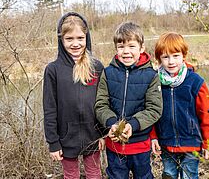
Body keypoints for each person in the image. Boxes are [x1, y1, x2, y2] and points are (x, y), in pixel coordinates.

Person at [95, 21, 163, 179]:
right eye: (121, 46)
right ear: (116, 49)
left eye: (131, 46)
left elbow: (154, 109)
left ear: (141, 48)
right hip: (115, 146)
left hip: (140, 145)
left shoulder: (151, 76)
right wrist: (112, 123)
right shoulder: (108, 73)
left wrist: (132, 125)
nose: (126, 51)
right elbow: (100, 105)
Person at [43, 12, 104, 179]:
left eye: (80, 38)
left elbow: (103, 103)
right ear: (61, 40)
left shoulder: (97, 67)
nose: (75, 43)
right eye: (69, 39)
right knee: (71, 175)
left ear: (87, 38)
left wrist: (103, 133)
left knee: (94, 173)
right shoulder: (53, 70)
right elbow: (49, 109)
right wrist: (53, 142)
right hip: (66, 137)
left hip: (93, 135)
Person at [151, 32, 209, 179]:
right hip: (166, 141)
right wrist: (153, 137)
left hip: (191, 141)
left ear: (184, 56)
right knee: (169, 174)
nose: (171, 61)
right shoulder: (155, 82)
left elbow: (206, 114)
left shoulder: (195, 82)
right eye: (165, 57)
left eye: (175, 56)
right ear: (159, 59)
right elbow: (151, 112)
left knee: (189, 175)